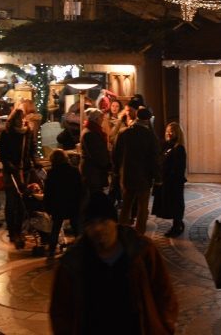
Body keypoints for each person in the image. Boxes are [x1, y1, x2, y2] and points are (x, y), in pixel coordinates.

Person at [50, 192, 177, 334]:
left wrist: (165, 326)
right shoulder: (72, 263)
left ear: (115, 222)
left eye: (104, 221)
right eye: (91, 223)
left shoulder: (142, 250)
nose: (98, 228)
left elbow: (163, 291)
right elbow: (60, 311)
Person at [113, 107, 161, 236]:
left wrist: (117, 172)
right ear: (148, 120)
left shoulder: (123, 133)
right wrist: (158, 178)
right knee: (142, 208)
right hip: (143, 178)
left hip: (127, 176)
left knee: (126, 206)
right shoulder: (150, 136)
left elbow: (116, 154)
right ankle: (139, 235)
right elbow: (154, 158)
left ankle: (122, 233)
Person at [0, 107, 36, 249]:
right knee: (11, 200)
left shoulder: (27, 132)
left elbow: (31, 149)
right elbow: (3, 153)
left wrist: (34, 161)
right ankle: (12, 229)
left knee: (22, 200)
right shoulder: (7, 133)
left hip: (24, 170)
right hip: (11, 170)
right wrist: (9, 165)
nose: (22, 120)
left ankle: (19, 229)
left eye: (23, 117)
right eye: (19, 118)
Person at [43, 149, 83, 260]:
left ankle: (51, 250)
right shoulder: (74, 171)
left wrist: (47, 207)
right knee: (76, 227)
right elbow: (80, 189)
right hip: (73, 204)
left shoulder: (52, 173)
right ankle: (82, 247)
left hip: (58, 206)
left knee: (55, 228)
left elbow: (48, 192)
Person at [153, 122, 188, 237]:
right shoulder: (166, 145)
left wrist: (170, 178)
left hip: (174, 182)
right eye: (167, 130)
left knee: (176, 204)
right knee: (169, 204)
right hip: (166, 180)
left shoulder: (179, 148)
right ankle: (177, 224)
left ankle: (177, 226)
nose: (169, 133)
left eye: (171, 131)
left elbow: (179, 168)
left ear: (177, 133)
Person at [80, 108, 111, 194]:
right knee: (93, 195)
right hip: (92, 172)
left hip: (95, 171)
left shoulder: (93, 131)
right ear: (96, 119)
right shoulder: (90, 133)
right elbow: (96, 154)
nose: (102, 120)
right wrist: (106, 164)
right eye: (101, 118)